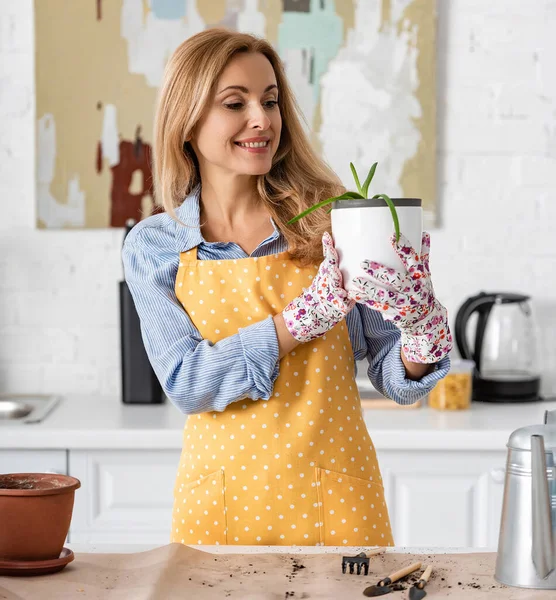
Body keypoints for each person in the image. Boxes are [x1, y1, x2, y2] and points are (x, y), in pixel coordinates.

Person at [122, 28, 452, 547]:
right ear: (187, 120)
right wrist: (298, 322)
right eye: (236, 102)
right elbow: (186, 381)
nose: (262, 119)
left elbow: (392, 372)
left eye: (270, 100)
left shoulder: (331, 221)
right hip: (220, 505)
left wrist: (420, 330)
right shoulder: (155, 245)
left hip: (338, 497)